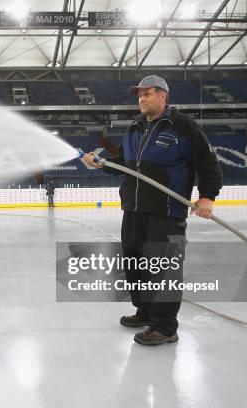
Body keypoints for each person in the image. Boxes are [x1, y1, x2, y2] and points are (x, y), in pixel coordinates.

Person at [83, 75, 223, 346]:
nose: (142, 98)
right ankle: (145, 312)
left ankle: (165, 327)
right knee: (136, 265)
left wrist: (207, 197)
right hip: (134, 210)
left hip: (166, 213)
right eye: (139, 94)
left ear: (163, 96)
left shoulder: (183, 127)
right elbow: (125, 162)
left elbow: (208, 162)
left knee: (164, 269)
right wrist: (102, 163)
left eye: (148, 93)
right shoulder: (134, 127)